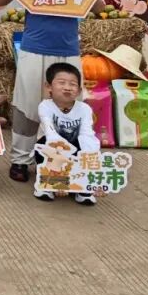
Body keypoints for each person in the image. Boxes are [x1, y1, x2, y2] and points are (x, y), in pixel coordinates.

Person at [0, 0, 96, 182]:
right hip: (33, 49)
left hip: (68, 50)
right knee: (27, 107)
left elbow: (98, 7)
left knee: (69, 107)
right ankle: (20, 160)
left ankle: (61, 160)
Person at [35, 62, 100, 205]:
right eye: (61, 83)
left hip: (75, 150)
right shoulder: (45, 106)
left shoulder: (84, 109)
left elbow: (87, 134)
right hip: (52, 149)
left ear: (79, 90)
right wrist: (60, 173)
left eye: (73, 84)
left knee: (86, 144)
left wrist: (89, 165)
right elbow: (51, 133)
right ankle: (48, 183)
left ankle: (83, 188)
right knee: (43, 144)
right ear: (49, 87)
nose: (67, 87)